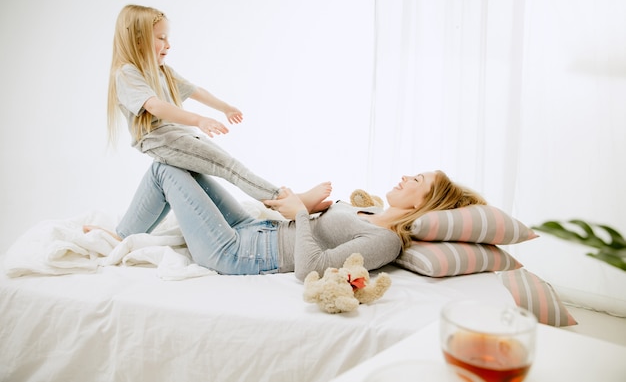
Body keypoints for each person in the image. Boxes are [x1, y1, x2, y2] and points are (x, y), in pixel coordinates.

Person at [86, 163, 486, 280]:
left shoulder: (387, 240)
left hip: (238, 254)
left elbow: (311, 268)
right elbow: (316, 227)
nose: (405, 175)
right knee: (185, 165)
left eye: (416, 180)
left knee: (164, 171)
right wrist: (308, 208)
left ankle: (118, 237)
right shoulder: (372, 211)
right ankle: (122, 232)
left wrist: (300, 212)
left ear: (427, 201)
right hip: (254, 229)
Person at [108, 4, 329, 211]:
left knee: (223, 165)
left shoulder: (163, 71)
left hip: (178, 135)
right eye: (161, 38)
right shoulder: (127, 73)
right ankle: (284, 201)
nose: (168, 45)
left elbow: (195, 91)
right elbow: (154, 106)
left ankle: (124, 232)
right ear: (138, 41)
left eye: (168, 38)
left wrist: (225, 107)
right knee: (228, 166)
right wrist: (199, 120)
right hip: (159, 139)